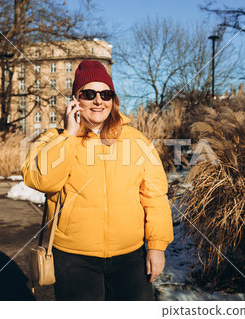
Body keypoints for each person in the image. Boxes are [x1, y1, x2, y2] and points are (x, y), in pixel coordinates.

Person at [21, 60, 173, 301]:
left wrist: (156, 245)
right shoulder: (53, 139)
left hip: (130, 257)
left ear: (113, 100)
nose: (98, 100)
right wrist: (69, 136)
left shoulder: (136, 140)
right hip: (73, 258)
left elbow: (155, 195)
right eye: (89, 93)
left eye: (105, 94)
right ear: (75, 100)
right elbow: (43, 181)